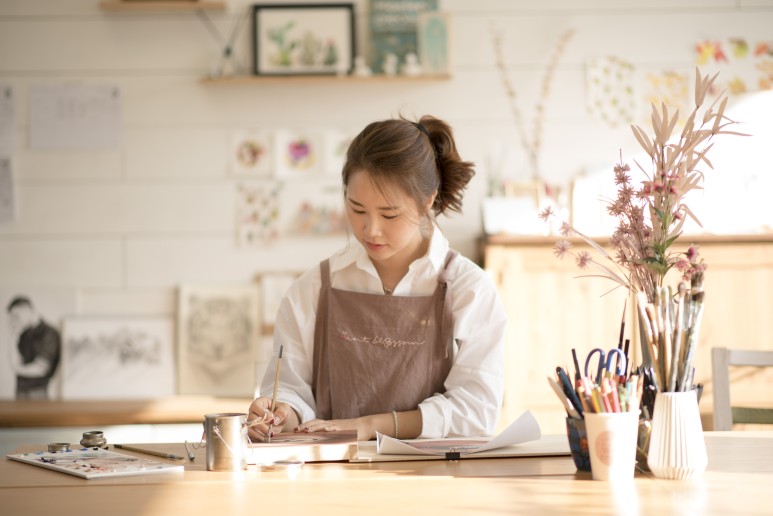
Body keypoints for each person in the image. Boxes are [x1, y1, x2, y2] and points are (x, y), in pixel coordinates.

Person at [248, 115, 506, 441]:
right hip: (332, 470)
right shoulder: (311, 291)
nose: (371, 230)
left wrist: (370, 425)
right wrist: (281, 413)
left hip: (437, 471)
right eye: (357, 210)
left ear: (427, 201)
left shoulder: (469, 290)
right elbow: (290, 390)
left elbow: (477, 412)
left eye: (389, 214)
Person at [6, 296, 62, 399]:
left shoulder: (49, 333)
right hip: (20, 389)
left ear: (27, 310)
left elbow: (40, 369)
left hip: (38, 391)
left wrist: (16, 368)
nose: (14, 320)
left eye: (16, 316)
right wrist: (13, 337)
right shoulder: (24, 334)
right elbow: (16, 361)